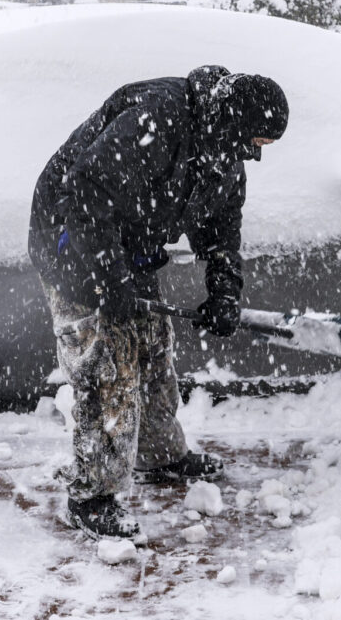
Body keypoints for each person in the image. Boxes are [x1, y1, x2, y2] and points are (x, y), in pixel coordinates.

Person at [27, 65, 289, 539]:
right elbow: (89, 191)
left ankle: (158, 454)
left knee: (150, 347)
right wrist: (108, 284)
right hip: (74, 239)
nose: (256, 155)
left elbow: (223, 229)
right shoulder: (160, 117)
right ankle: (92, 495)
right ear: (234, 122)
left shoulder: (225, 152)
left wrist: (225, 291)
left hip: (129, 247)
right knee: (108, 366)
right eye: (256, 142)